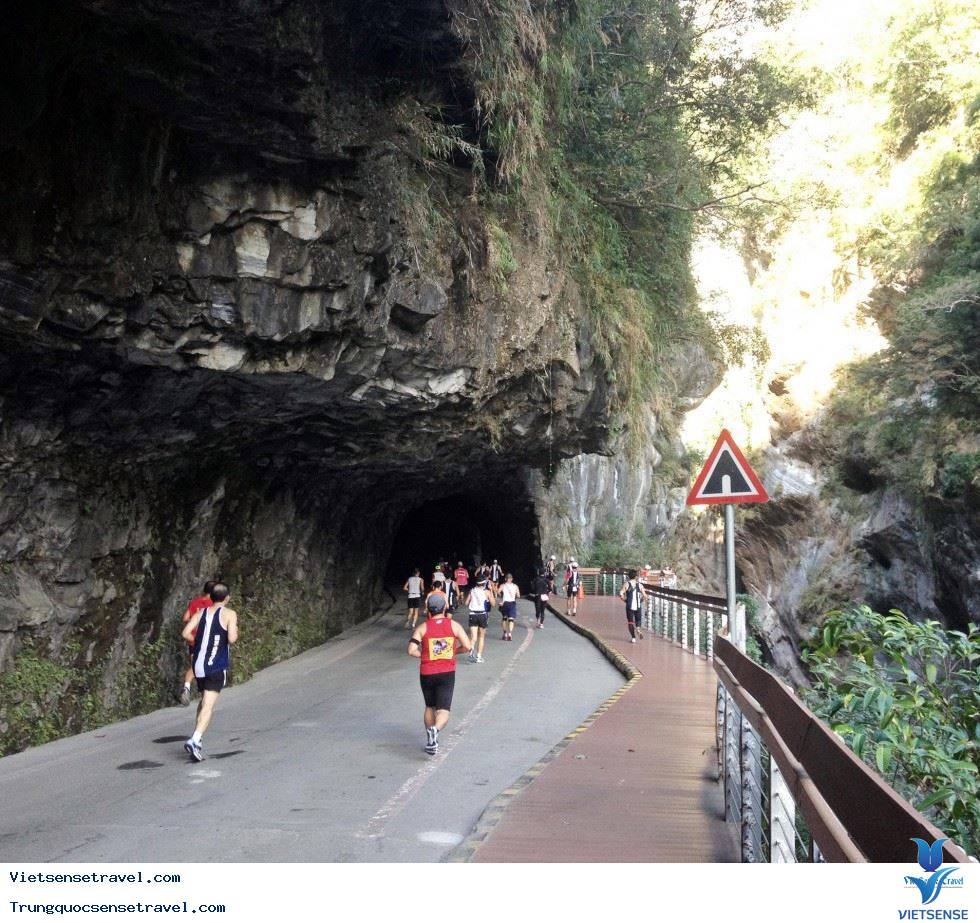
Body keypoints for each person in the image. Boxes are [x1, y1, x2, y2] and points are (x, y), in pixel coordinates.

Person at [181, 583, 239, 762]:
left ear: (211, 597)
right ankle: (195, 739)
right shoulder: (229, 614)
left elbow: (185, 633)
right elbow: (231, 639)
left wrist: (198, 645)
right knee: (208, 705)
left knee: (202, 703)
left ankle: (197, 737)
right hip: (216, 665)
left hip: (199, 665)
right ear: (227, 598)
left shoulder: (200, 613)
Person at [408, 591, 472, 754]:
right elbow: (468, 646)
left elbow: (411, 650)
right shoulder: (453, 625)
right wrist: (454, 651)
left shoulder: (422, 628)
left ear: (428, 610)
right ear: (444, 608)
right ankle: (435, 730)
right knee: (443, 709)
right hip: (446, 672)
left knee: (430, 706)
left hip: (427, 672)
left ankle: (431, 738)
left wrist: (424, 654)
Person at [178, 581, 215, 706]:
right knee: (208, 664)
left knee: (195, 665)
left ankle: (187, 687)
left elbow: (185, 618)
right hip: (206, 638)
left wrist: (195, 620)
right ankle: (205, 693)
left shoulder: (194, 602)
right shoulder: (213, 604)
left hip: (192, 637)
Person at [466, 579, 495, 663]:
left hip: (472, 614)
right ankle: (478, 657)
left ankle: (471, 654)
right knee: (481, 637)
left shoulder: (472, 591)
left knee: (473, 637)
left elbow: (466, 603)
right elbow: (493, 603)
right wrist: (491, 590)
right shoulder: (487, 592)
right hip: (482, 615)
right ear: (484, 583)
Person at [620, 569, 647, 643]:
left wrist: (624, 600)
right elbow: (645, 596)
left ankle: (633, 637)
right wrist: (641, 601)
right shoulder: (640, 585)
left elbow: (621, 593)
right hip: (638, 606)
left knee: (630, 622)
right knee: (638, 620)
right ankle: (638, 629)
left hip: (629, 605)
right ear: (636, 576)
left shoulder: (627, 584)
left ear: (629, 576)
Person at [497, 573, 520, 641]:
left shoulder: (503, 585)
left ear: (505, 579)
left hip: (505, 603)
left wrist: (502, 596)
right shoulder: (515, 586)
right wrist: (514, 595)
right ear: (512, 579)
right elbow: (518, 595)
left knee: (504, 618)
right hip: (512, 603)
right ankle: (510, 634)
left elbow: (498, 592)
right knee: (511, 619)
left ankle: (505, 633)